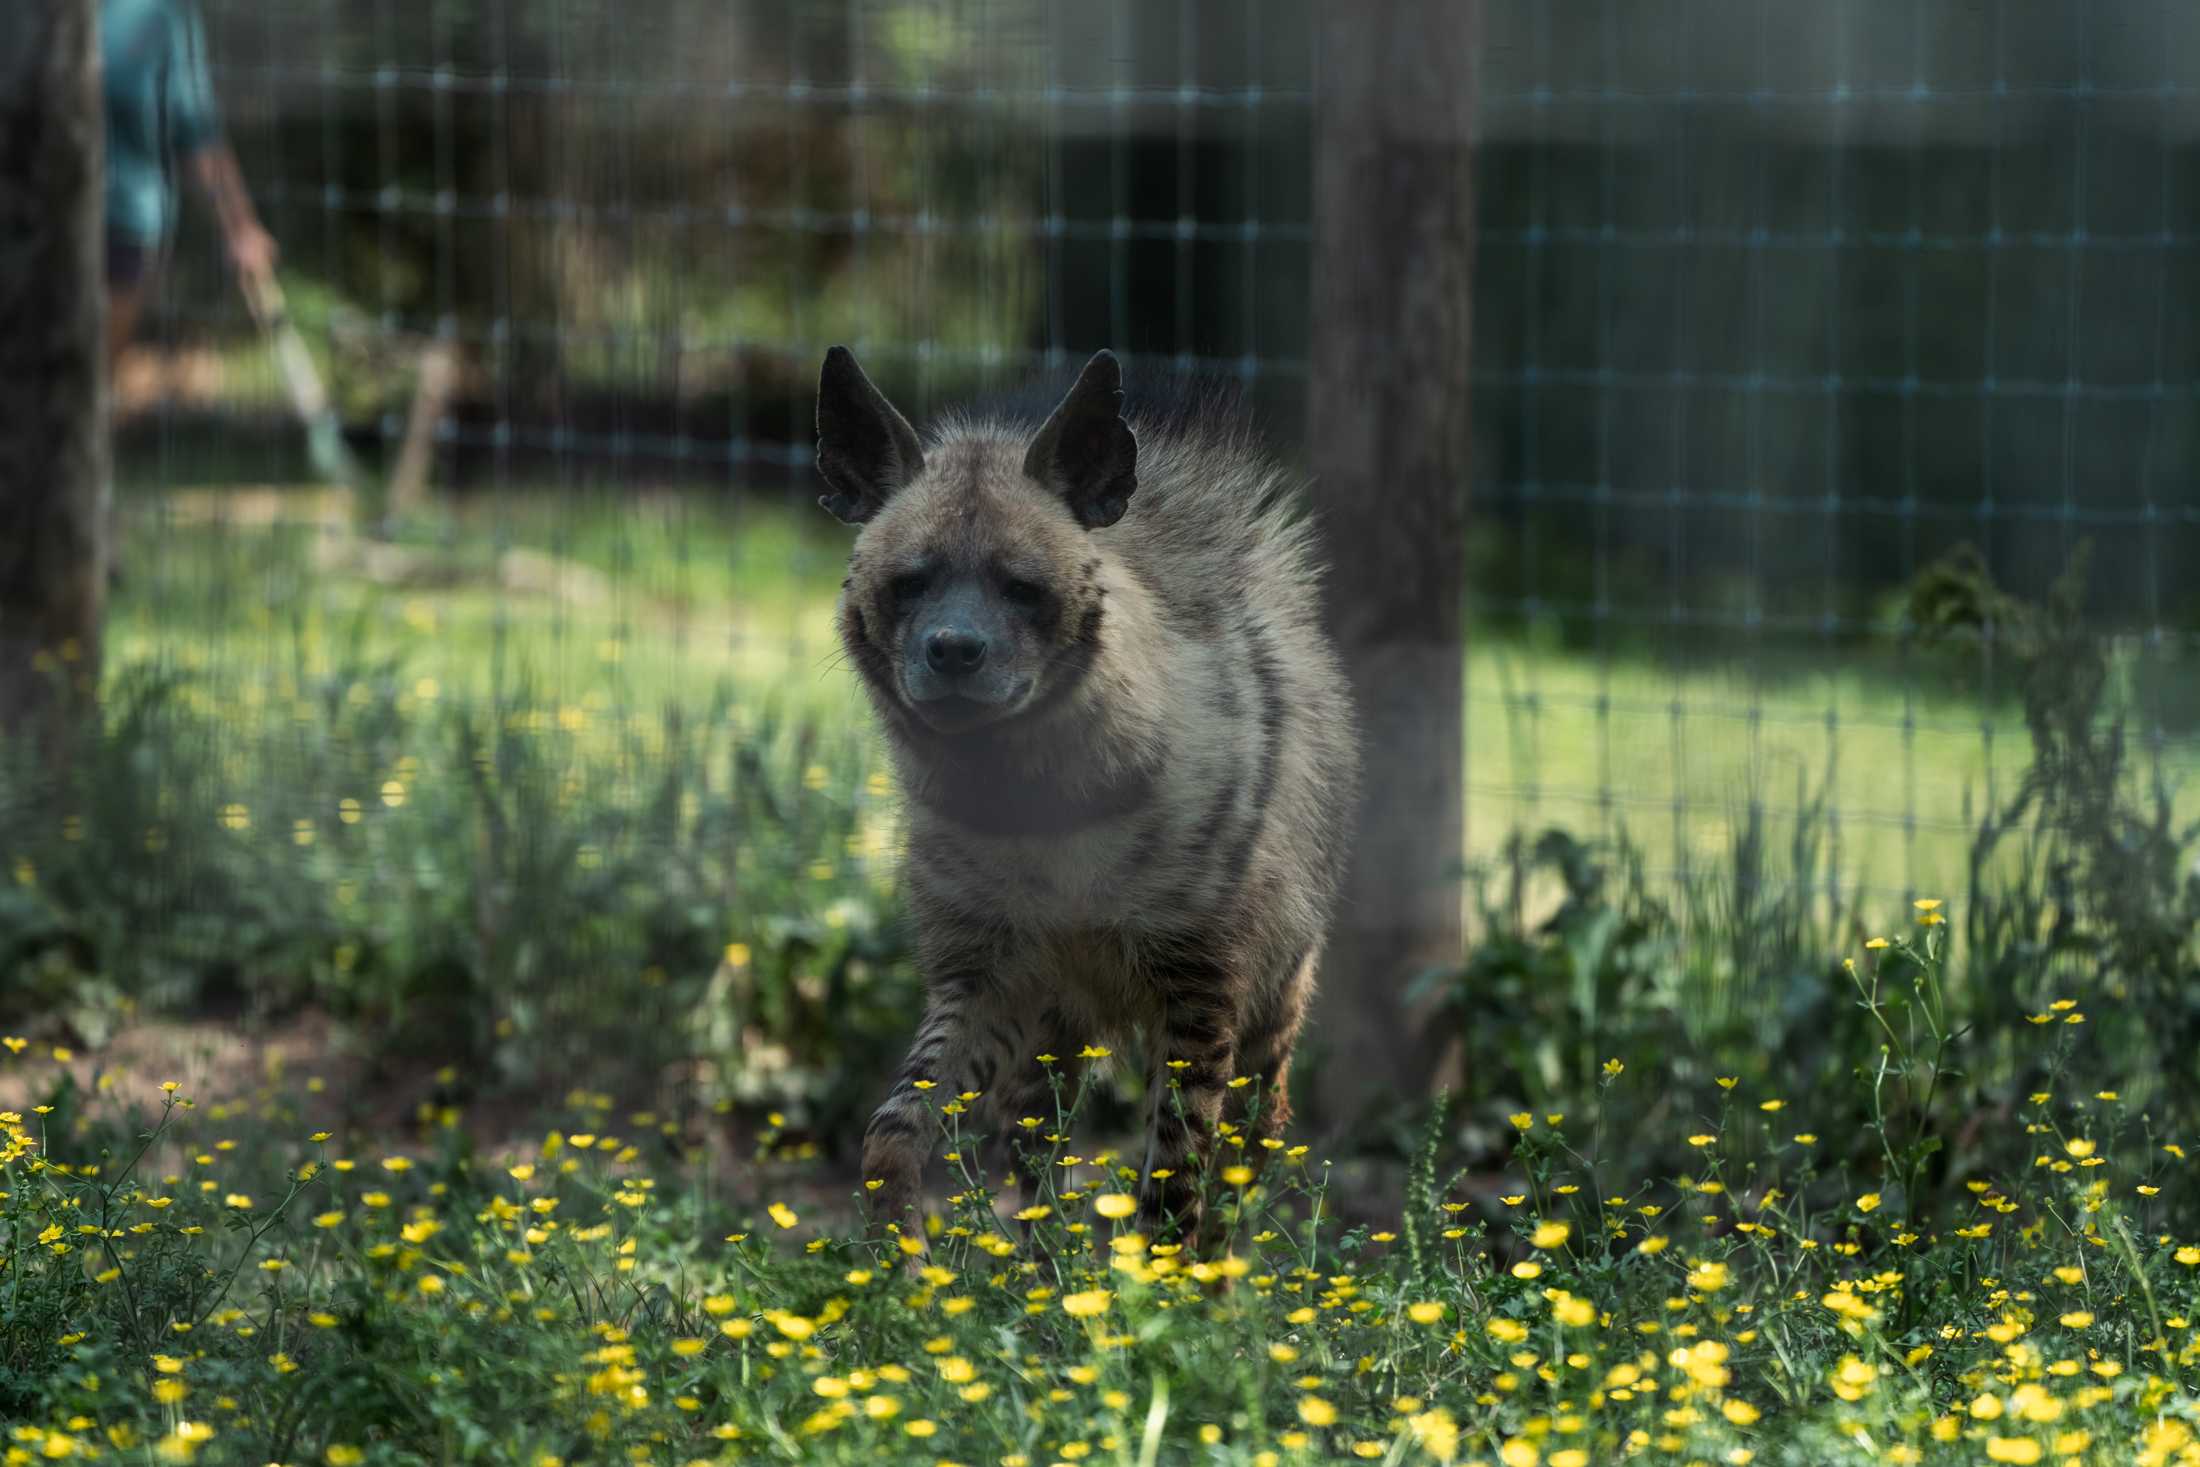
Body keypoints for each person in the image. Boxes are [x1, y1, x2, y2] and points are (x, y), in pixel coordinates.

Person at [101, 0, 276, 369]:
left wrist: (239, 227)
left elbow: (196, 128)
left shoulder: (160, 14)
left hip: (124, 233)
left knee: (86, 380)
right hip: (30, 230)